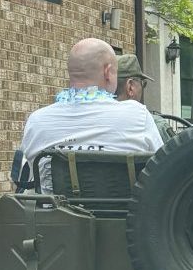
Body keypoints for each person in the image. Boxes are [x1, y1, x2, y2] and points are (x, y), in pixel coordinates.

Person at [19, 38, 164, 189]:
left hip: (53, 212)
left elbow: (25, 178)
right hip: (122, 211)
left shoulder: (37, 120)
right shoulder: (137, 115)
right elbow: (163, 169)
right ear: (108, 72)